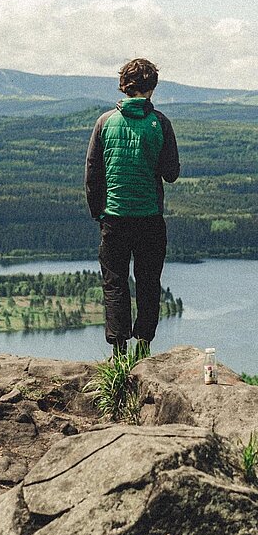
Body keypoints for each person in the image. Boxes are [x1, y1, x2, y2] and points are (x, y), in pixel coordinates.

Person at [84, 58, 180, 359]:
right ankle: (144, 345)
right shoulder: (161, 123)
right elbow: (171, 173)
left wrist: (98, 213)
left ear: (124, 86)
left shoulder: (105, 122)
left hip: (114, 218)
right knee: (149, 281)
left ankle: (118, 350)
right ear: (151, 88)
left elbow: (92, 173)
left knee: (115, 282)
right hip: (149, 218)